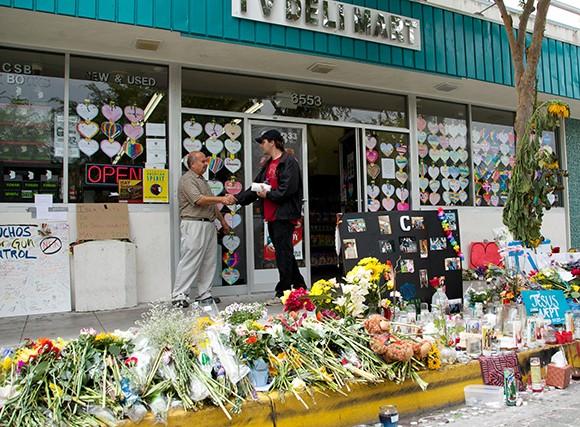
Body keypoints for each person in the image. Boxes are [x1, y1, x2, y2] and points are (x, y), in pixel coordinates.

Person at [236, 129, 306, 305]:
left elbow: (287, 190)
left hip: (284, 216)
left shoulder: (289, 162)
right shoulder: (268, 165)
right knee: (285, 253)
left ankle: (282, 293)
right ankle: (300, 288)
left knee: (283, 254)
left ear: (273, 142)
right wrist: (237, 199)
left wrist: (268, 195)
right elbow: (256, 187)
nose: (261, 145)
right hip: (272, 216)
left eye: (263, 142)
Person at [172, 151, 235, 308]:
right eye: (202, 162)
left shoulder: (202, 180)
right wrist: (222, 198)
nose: (206, 164)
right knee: (190, 258)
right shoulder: (187, 180)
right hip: (193, 223)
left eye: (206, 161)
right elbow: (199, 200)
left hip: (208, 223)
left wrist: (222, 222)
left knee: (209, 260)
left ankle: (204, 294)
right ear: (192, 164)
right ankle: (179, 294)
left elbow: (210, 204)